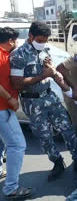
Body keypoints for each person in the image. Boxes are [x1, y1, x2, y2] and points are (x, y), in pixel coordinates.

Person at [10, 21, 77, 181]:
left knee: (67, 129)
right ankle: (57, 162)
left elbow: (50, 69)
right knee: (44, 136)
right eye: (40, 40)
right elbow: (17, 83)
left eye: (45, 40)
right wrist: (43, 75)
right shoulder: (18, 55)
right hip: (32, 102)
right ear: (31, 36)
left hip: (50, 96)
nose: (43, 44)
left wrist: (58, 78)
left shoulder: (44, 50)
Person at [0, 27, 33, 198]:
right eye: (16, 40)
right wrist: (10, 99)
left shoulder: (7, 54)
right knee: (17, 145)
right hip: (1, 108)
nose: (17, 43)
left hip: (4, 108)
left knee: (2, 142)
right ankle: (11, 188)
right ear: (11, 41)